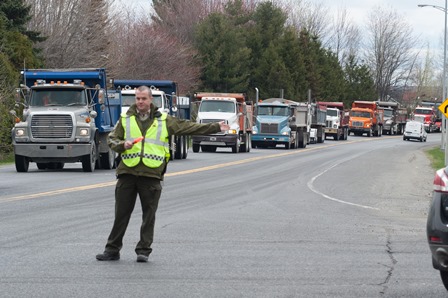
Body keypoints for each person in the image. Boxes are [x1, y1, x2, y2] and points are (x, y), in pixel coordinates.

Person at [96, 85, 230, 263]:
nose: (140, 102)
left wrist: (215, 127)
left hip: (151, 173)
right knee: (121, 214)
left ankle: (143, 250)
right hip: (127, 171)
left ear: (151, 99)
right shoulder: (125, 118)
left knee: (148, 216)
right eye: (137, 98)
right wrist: (122, 145)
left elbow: (189, 127)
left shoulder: (164, 120)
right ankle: (112, 249)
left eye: (143, 98)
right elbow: (112, 138)